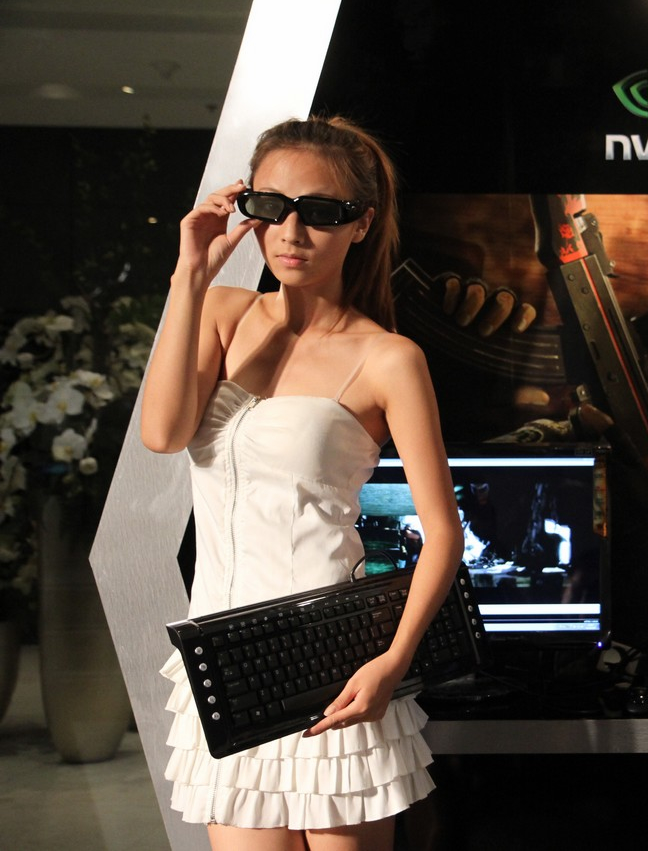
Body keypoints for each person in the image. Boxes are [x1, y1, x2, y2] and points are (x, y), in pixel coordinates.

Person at [141, 115, 464, 851]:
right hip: (226, 660)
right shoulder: (221, 313)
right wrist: (190, 275)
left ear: (361, 223)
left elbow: (444, 534)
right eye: (271, 206)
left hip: (333, 659)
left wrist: (392, 661)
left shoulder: (389, 358)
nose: (291, 232)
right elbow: (162, 432)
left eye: (320, 212)